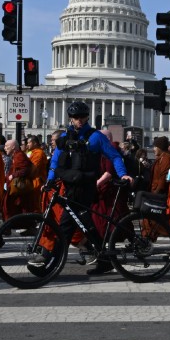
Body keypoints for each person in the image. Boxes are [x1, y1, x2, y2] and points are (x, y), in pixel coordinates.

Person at [39, 102, 134, 276]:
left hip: (86, 187)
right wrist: (50, 181)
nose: (79, 120)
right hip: (70, 186)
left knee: (66, 226)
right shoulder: (66, 137)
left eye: (82, 117)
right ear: (71, 119)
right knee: (86, 226)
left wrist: (123, 175)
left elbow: (114, 156)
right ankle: (105, 260)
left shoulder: (96, 137)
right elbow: (55, 161)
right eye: (76, 118)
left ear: (87, 117)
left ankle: (52, 266)